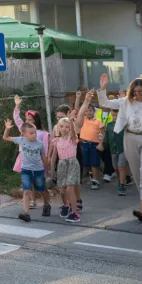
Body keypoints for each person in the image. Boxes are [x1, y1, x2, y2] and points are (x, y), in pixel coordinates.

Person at [97, 74, 142, 223]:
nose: (137, 94)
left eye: (141, 91)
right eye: (135, 91)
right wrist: (103, 88)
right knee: (137, 175)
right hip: (130, 138)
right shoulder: (126, 102)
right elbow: (104, 102)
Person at [49, 93, 93, 222]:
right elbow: (54, 156)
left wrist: (71, 119)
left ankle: (74, 213)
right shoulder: (57, 141)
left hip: (72, 163)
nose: (64, 129)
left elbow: (74, 128)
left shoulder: (72, 139)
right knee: (62, 190)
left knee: (69, 188)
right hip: (62, 164)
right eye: (61, 126)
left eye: (66, 127)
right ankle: (66, 206)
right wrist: (52, 168)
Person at [3, 118, 49, 223]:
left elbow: (43, 157)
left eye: (35, 132)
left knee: (42, 189)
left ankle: (46, 204)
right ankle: (26, 214)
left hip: (38, 170)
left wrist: (48, 169)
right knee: (26, 191)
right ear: (24, 134)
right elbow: (5, 137)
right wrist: (7, 128)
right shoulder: (21, 140)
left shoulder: (40, 143)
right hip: (26, 170)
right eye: (31, 133)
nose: (34, 135)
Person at [12, 96, 49, 210]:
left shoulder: (43, 134)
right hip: (25, 159)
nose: (27, 122)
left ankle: (46, 203)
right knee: (29, 182)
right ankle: (32, 201)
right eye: (26, 120)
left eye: (30, 120)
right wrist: (17, 105)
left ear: (36, 121)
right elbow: (16, 118)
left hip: (38, 162)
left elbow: (45, 150)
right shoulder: (24, 130)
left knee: (41, 184)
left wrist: (46, 164)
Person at [78, 98, 105, 190]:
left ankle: (95, 180)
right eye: (87, 111)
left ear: (94, 111)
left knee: (94, 163)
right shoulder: (83, 120)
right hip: (85, 144)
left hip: (95, 145)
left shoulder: (98, 122)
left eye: (90, 111)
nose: (88, 112)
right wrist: (79, 98)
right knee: (87, 163)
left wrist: (101, 144)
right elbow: (77, 109)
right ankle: (91, 176)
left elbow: (103, 133)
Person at [103, 106, 128, 196]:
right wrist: (103, 145)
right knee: (116, 167)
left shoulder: (124, 125)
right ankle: (121, 179)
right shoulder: (109, 125)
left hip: (122, 149)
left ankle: (122, 185)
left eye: (116, 115)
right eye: (113, 115)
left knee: (121, 166)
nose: (115, 117)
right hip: (112, 150)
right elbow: (106, 137)